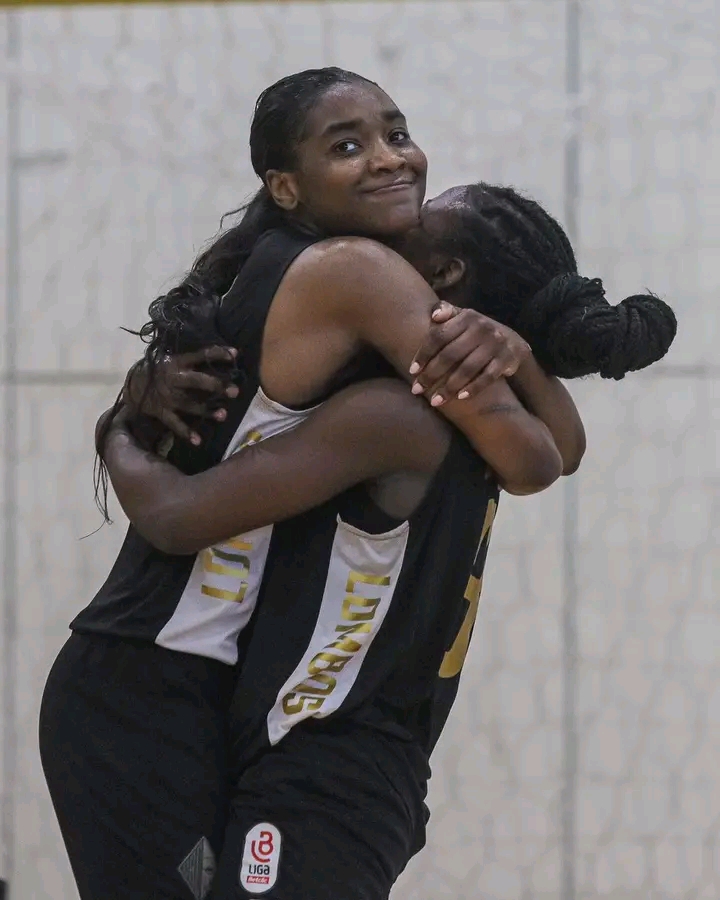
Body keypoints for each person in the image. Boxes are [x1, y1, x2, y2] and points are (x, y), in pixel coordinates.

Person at [39, 67, 567, 900]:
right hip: (141, 687)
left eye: (397, 133)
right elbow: (539, 457)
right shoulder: (358, 272)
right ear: (285, 186)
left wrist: (518, 349)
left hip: (218, 694)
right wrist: (111, 426)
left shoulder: (315, 282)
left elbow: (552, 450)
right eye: (348, 145)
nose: (390, 160)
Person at [98, 182, 676, 900]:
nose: (396, 211)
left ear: (444, 278)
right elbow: (566, 449)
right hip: (343, 767)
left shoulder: (396, 415)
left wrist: (119, 423)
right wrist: (521, 356)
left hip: (325, 772)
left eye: (419, 216)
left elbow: (177, 516)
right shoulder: (490, 423)